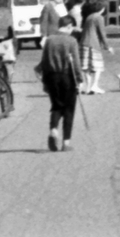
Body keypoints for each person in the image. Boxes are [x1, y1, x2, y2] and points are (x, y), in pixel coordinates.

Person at [39, 14, 83, 151]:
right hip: (67, 77)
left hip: (51, 77)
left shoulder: (49, 40)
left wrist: (45, 81)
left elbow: (44, 62)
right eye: (72, 28)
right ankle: (66, 142)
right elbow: (76, 63)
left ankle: (53, 130)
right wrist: (80, 79)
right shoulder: (71, 41)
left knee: (56, 106)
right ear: (69, 26)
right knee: (69, 109)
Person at [80, 0, 113, 93]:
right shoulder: (99, 17)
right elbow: (102, 33)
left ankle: (87, 86)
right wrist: (107, 47)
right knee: (98, 66)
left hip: (83, 43)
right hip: (93, 44)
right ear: (103, 8)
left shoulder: (89, 16)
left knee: (86, 67)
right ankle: (94, 85)